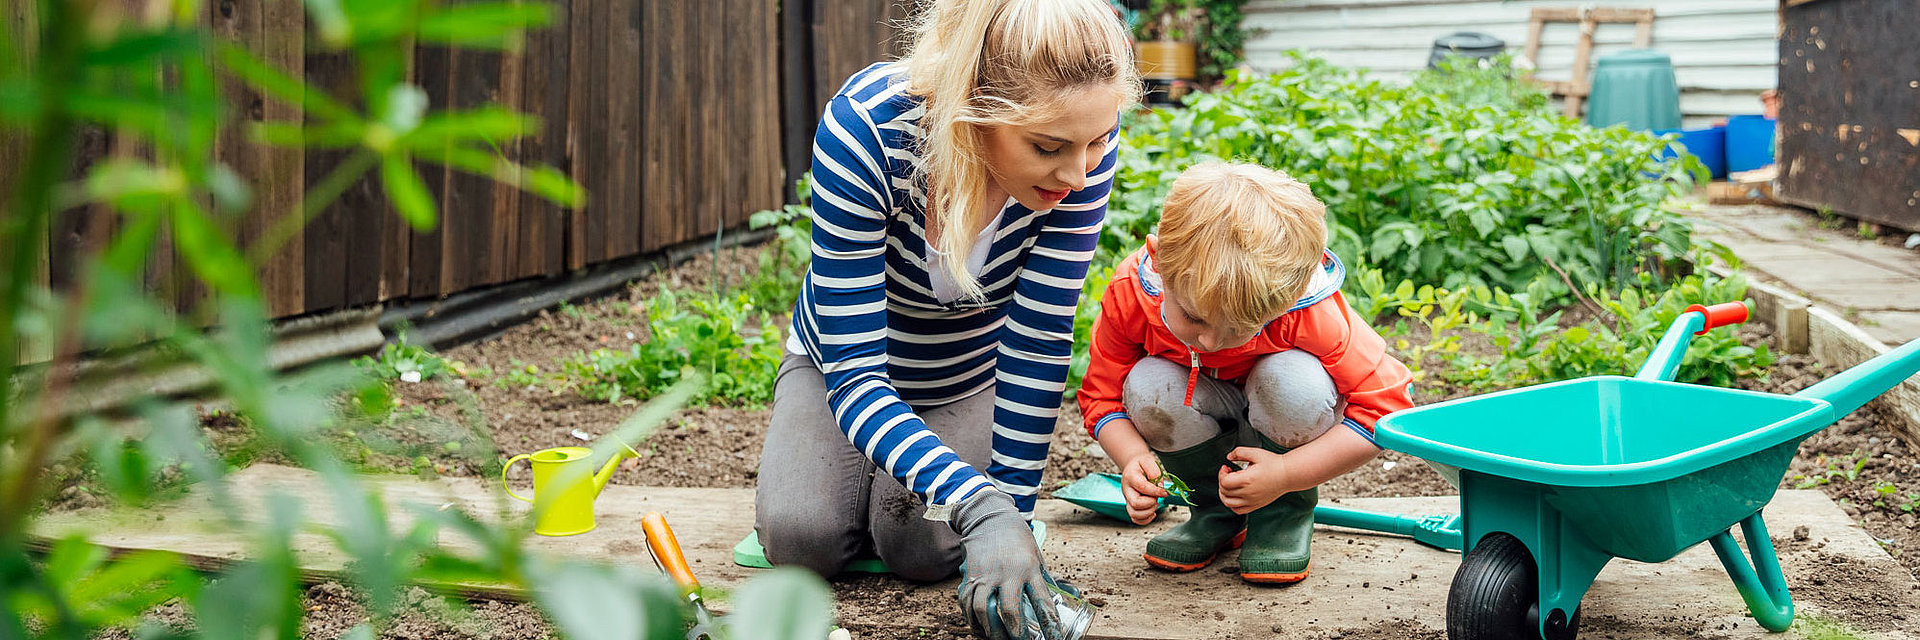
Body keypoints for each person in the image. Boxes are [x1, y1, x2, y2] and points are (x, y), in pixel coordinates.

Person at [753, 0, 1139, 637]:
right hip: (839, 372)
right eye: (1049, 147)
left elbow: (1036, 341)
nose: (1079, 172)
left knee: (920, 548)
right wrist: (975, 504)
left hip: (965, 376)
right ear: (972, 106)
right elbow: (855, 379)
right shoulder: (867, 130)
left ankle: (907, 485)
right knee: (803, 540)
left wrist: (1009, 517)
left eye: (1098, 141)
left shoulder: (1081, 141)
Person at [1076, 162, 1416, 584]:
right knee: (1148, 384)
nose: (1212, 342)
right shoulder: (1133, 292)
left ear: (1291, 294)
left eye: (1240, 328)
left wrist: (1285, 476)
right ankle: (1215, 512)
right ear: (1159, 260)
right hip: (1206, 413)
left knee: (1292, 381)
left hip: (1280, 426)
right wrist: (1134, 459)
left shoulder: (1308, 309)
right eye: (1194, 317)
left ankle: (1281, 515)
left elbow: (1386, 409)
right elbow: (1101, 397)